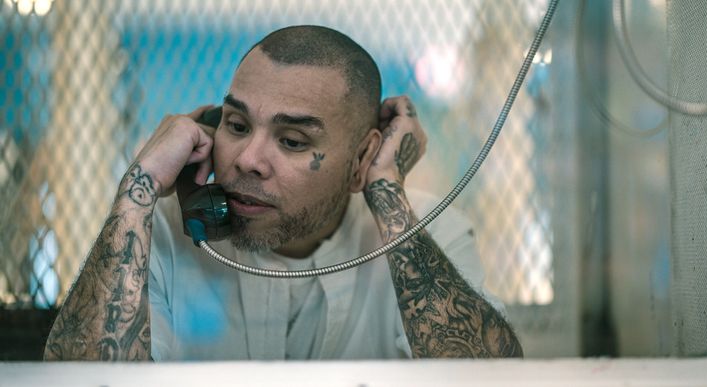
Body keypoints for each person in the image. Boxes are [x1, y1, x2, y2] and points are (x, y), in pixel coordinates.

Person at [43, 25, 522, 361]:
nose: (248, 159)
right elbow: (80, 376)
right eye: (236, 124)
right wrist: (136, 190)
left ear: (360, 158)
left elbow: (489, 377)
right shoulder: (162, 236)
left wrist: (384, 192)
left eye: (292, 141)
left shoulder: (427, 235)